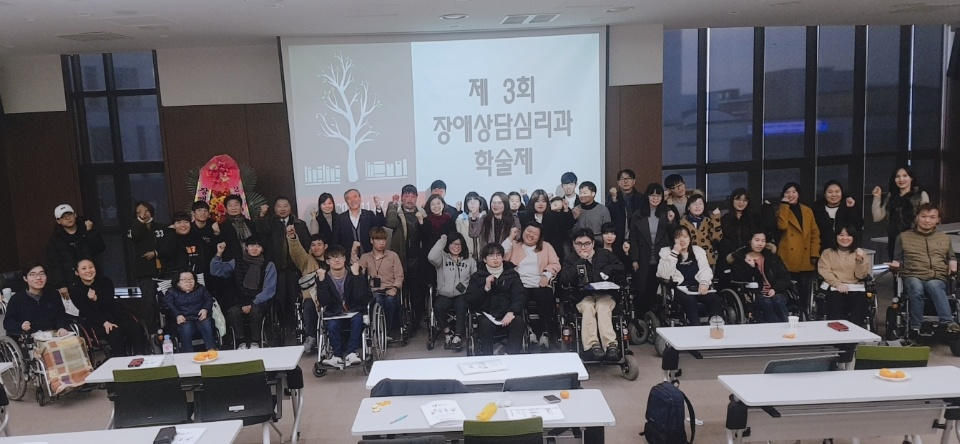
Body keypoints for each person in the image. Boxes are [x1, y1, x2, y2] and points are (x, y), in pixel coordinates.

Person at [885, 203, 958, 333]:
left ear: (938, 220)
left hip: (936, 275)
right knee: (916, 288)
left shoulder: (944, 238)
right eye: (923, 216)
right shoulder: (903, 237)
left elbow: (951, 257)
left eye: (932, 217)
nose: (927, 220)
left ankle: (947, 323)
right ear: (917, 217)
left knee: (935, 286)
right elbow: (899, 259)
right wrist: (896, 265)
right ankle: (916, 327)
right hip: (912, 274)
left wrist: (953, 264)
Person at [558, 228, 624, 361]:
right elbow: (564, 279)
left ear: (593, 243)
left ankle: (611, 345)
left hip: (605, 294)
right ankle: (592, 345)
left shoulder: (605, 254)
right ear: (573, 244)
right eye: (579, 244)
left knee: (602, 307)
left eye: (586, 243)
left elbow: (621, 267)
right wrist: (580, 262)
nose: (583, 247)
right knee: (588, 307)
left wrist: (608, 269)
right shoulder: (570, 259)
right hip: (582, 296)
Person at [257, 196, 311, 338]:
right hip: (276, 270)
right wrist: (262, 216)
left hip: (295, 270)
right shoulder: (269, 223)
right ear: (275, 209)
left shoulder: (300, 224)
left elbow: (306, 245)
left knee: (295, 299)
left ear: (290, 207)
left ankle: (296, 328)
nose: (282, 209)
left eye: (285, 206)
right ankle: (281, 329)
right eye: (279, 206)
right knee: (279, 300)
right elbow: (261, 238)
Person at [210, 236, 276, 349]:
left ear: (262, 249)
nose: (254, 249)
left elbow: (269, 289)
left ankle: (256, 341)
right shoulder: (236, 262)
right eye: (252, 246)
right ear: (246, 247)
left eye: (258, 246)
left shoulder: (269, 265)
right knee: (233, 312)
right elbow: (216, 271)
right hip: (239, 299)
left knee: (256, 312)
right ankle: (240, 342)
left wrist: (253, 303)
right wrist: (219, 254)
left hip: (259, 300)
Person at [70, 259, 146, 356]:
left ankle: (140, 357)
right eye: (84, 268)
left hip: (115, 316)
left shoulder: (106, 282)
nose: (88, 271)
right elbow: (86, 311)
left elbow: (109, 302)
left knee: (136, 327)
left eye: (91, 267)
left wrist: (96, 298)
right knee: (115, 332)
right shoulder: (75, 290)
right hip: (95, 322)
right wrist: (104, 322)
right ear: (77, 272)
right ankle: (121, 360)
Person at [505, 221, 560, 351]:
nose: (531, 235)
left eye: (535, 233)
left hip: (539, 283)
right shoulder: (515, 245)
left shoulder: (546, 246)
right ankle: (528, 330)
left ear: (539, 236)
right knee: (518, 300)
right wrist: (510, 238)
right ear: (523, 231)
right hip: (519, 283)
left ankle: (544, 332)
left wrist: (546, 275)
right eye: (528, 231)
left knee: (545, 297)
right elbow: (502, 257)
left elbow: (555, 264)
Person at [465, 242, 526, 356]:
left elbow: (519, 295)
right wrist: (485, 288)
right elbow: (470, 301)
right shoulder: (477, 277)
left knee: (518, 322)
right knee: (485, 325)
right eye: (491, 255)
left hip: (507, 313)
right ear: (484, 259)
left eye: (498, 255)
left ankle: (510, 356)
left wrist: (511, 312)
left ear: (502, 258)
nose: (495, 258)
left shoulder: (512, 275)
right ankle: (488, 357)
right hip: (486, 314)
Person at [316, 245, 372, 367]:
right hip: (335, 312)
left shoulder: (353, 273)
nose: (337, 260)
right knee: (332, 324)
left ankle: (352, 353)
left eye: (340, 257)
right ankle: (336, 356)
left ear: (345, 259)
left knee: (357, 319)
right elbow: (324, 301)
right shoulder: (324, 276)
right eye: (333, 258)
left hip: (354, 310)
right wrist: (321, 281)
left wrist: (357, 275)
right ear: (327, 261)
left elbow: (360, 296)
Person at [656, 226, 718, 326]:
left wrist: (704, 283)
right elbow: (663, 274)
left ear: (689, 238)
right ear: (673, 240)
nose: (682, 240)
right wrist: (674, 253)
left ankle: (714, 327)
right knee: (689, 300)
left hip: (697, 286)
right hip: (677, 289)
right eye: (678, 237)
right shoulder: (666, 252)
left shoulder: (698, 251)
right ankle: (696, 328)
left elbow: (705, 270)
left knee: (714, 299)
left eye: (685, 237)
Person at [629, 183, 673, 316]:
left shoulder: (667, 213)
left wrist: (671, 222)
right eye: (652, 195)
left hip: (662, 259)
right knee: (643, 291)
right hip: (643, 259)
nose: (655, 198)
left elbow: (674, 236)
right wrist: (635, 259)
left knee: (658, 292)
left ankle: (658, 318)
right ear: (647, 196)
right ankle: (642, 319)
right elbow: (633, 239)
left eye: (658, 195)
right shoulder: (638, 214)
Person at [386, 185, 425, 331]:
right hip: (400, 257)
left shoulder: (422, 213)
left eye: (413, 196)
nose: (410, 199)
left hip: (418, 259)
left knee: (417, 293)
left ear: (416, 198)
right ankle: (400, 322)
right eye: (407, 196)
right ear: (402, 197)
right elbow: (390, 224)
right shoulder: (397, 213)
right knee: (400, 291)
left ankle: (416, 322)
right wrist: (393, 205)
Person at [428, 233, 476, 351]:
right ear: (448, 245)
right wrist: (442, 240)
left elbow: (475, 278)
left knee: (462, 306)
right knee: (437, 306)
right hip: (445, 294)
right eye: (453, 244)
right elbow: (431, 257)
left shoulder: (470, 260)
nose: (456, 247)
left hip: (462, 294)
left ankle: (457, 337)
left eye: (459, 244)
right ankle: (448, 333)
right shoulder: (442, 259)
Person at [730, 231, 792, 323]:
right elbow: (739, 278)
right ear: (750, 241)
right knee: (766, 302)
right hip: (754, 294)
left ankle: (785, 325)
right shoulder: (740, 258)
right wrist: (752, 267)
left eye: (763, 241)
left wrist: (775, 289)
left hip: (776, 291)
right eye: (757, 240)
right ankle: (774, 326)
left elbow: (785, 278)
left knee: (778, 300)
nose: (760, 244)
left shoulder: (772, 257)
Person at [45, 204, 105, 299]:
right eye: (63, 217)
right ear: (58, 221)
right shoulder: (55, 240)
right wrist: (61, 285)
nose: (68, 218)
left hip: (92, 279)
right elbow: (54, 265)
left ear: (75, 215)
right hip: (70, 283)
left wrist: (90, 232)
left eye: (70, 214)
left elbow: (100, 248)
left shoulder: (86, 229)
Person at [817, 224, 872, 327]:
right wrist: (837, 284)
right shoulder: (827, 253)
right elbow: (824, 270)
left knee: (859, 302)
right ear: (836, 236)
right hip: (834, 286)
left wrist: (859, 261)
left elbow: (861, 275)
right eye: (841, 235)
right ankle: (838, 331)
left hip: (855, 286)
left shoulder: (860, 253)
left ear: (853, 237)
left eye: (848, 235)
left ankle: (856, 331)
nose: (844, 238)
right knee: (834, 301)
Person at [286, 227, 330, 354]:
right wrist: (292, 237)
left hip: (330, 296)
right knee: (308, 305)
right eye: (313, 245)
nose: (316, 247)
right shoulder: (306, 260)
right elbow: (297, 252)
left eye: (319, 244)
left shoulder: (332, 259)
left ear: (325, 246)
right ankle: (311, 337)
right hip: (312, 297)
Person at [872, 166, 930, 259]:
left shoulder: (921, 195)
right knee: (896, 266)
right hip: (894, 241)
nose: (901, 179)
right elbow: (877, 217)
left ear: (911, 178)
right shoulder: (891, 196)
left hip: (915, 240)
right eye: (898, 176)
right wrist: (877, 198)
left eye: (905, 176)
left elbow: (927, 219)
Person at [776, 182, 820, 303]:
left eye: (794, 192)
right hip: (788, 256)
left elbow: (815, 233)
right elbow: (782, 225)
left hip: (806, 256)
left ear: (798, 194)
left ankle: (804, 311)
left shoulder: (807, 211)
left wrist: (814, 253)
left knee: (805, 289)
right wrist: (784, 205)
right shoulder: (781, 210)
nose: (791, 195)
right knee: (789, 290)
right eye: (787, 192)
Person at [357, 227, 404, 339]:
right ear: (372, 241)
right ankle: (377, 330)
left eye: (383, 240)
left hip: (390, 288)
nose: (381, 243)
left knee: (390, 301)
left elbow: (399, 275)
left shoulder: (393, 256)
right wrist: (354, 252)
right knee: (377, 300)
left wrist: (395, 288)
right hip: (374, 290)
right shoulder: (365, 257)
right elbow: (357, 272)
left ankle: (387, 331)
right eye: (378, 240)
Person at [3, 263, 70, 338]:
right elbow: (7, 323)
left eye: (42, 274)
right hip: (30, 338)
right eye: (33, 274)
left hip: (54, 335)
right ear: (25, 278)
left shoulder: (53, 294)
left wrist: (62, 327)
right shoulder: (16, 299)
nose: (38, 278)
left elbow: (61, 315)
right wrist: (21, 325)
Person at [129, 201, 164, 334]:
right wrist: (140, 221)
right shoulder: (134, 228)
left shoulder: (161, 227)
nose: (143, 214)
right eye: (139, 212)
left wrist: (156, 253)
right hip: (144, 272)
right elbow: (135, 236)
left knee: (166, 300)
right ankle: (152, 332)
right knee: (148, 303)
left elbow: (168, 245)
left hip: (164, 270)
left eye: (146, 211)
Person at [163, 270, 217, 352]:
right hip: (183, 318)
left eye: (191, 279)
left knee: (206, 324)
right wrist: (177, 314)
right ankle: (187, 352)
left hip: (199, 316)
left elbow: (209, 299)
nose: (189, 281)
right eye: (184, 279)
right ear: (177, 282)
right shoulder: (171, 292)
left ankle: (211, 349)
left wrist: (205, 309)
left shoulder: (201, 288)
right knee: (186, 328)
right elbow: (168, 304)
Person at [521, 189, 575, 263]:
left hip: (553, 255)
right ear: (532, 202)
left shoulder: (554, 215)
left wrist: (566, 209)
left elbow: (568, 225)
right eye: (537, 201)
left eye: (543, 201)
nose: (541, 204)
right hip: (531, 255)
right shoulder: (525, 217)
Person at [813, 180, 863, 252]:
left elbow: (858, 226)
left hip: (847, 250)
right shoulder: (817, 209)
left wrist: (851, 208)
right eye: (830, 192)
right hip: (823, 250)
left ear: (842, 193)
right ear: (824, 194)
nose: (834, 195)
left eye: (837, 191)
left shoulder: (849, 206)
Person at [157, 211, 212, 276]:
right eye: (179, 222)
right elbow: (166, 255)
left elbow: (207, 256)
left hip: (198, 276)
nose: (183, 225)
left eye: (186, 222)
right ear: (173, 225)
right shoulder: (167, 238)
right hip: (175, 277)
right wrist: (171, 233)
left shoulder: (197, 237)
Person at [334, 188, 385, 255]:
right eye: (349, 198)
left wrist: (378, 208)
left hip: (369, 256)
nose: (352, 200)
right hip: (348, 257)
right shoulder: (340, 218)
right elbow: (336, 240)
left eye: (355, 197)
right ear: (346, 201)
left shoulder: (369, 215)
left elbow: (380, 226)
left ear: (360, 198)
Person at [606, 169, 644, 255]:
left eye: (628, 178)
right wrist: (614, 199)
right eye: (622, 179)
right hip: (617, 239)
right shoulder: (611, 197)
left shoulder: (641, 198)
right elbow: (611, 216)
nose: (625, 181)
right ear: (618, 182)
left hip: (637, 240)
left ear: (634, 181)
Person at [679, 193, 723, 266]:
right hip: (689, 259)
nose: (697, 206)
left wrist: (716, 218)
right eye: (694, 204)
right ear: (688, 207)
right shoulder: (682, 222)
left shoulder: (707, 221)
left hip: (707, 259)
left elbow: (717, 237)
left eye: (700, 203)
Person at [218, 194, 258, 262]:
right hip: (232, 263)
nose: (233, 208)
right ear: (226, 209)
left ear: (241, 208)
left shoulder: (251, 224)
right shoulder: (222, 227)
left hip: (252, 261)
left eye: (236, 205)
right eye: (230, 205)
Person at [455, 191, 488, 262]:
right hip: (467, 257)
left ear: (480, 203)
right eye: (469, 201)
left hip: (485, 256)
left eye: (475, 201)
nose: (473, 204)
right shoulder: (461, 219)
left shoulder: (486, 218)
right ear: (466, 204)